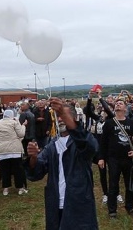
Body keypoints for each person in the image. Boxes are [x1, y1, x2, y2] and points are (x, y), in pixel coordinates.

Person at [25, 98, 99, 230]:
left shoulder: (80, 141)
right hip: (56, 203)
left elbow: (90, 146)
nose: (60, 119)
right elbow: (37, 172)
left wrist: (66, 116)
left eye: (63, 116)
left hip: (78, 203)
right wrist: (34, 158)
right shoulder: (53, 145)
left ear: (74, 118)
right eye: (58, 116)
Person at [98, 99, 133, 219]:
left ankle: (130, 207)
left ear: (125, 108)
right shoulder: (109, 123)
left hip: (128, 159)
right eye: (116, 103)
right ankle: (112, 211)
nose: (117, 104)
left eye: (120, 103)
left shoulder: (131, 123)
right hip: (113, 159)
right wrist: (101, 158)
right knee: (113, 185)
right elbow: (103, 143)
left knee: (130, 185)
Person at [0, 109, 27, 196]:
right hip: (14, 149)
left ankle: (5, 189)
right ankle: (20, 188)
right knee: (18, 170)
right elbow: (21, 134)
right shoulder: (14, 122)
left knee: (4, 170)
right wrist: (23, 126)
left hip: (2, 150)